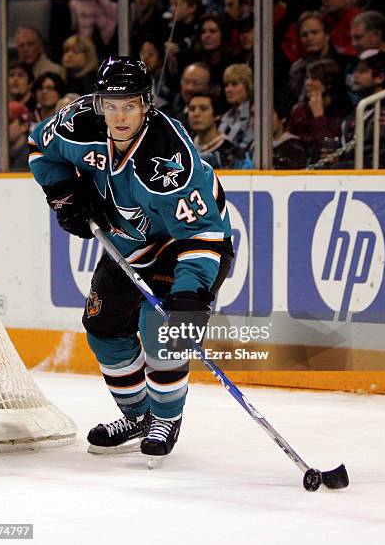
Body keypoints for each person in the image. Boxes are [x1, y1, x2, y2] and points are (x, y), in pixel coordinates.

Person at [28, 57, 233, 459]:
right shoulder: (78, 124)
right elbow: (39, 145)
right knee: (102, 327)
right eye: (111, 104)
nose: (120, 115)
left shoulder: (168, 160)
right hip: (130, 243)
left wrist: (191, 298)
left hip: (184, 245)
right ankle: (138, 415)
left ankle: (166, 418)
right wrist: (65, 194)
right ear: (99, 103)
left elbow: (201, 234)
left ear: (146, 104)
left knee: (160, 328)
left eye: (130, 105)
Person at [188, 90, 252, 169]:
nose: (196, 114)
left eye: (203, 109)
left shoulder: (233, 155)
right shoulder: (184, 148)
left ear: (217, 115)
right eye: (192, 109)